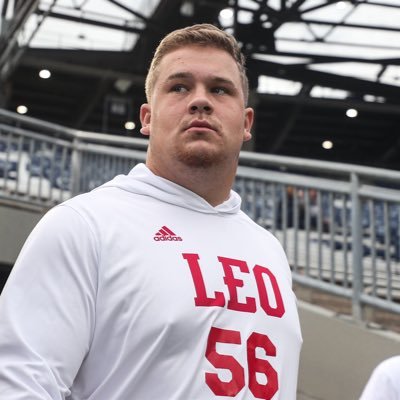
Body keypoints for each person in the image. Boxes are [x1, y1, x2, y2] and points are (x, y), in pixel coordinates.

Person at [0, 24, 302, 399]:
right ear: (146, 117)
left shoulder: (268, 249)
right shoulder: (85, 226)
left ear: (246, 123)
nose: (200, 101)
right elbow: (19, 384)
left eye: (220, 90)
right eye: (179, 87)